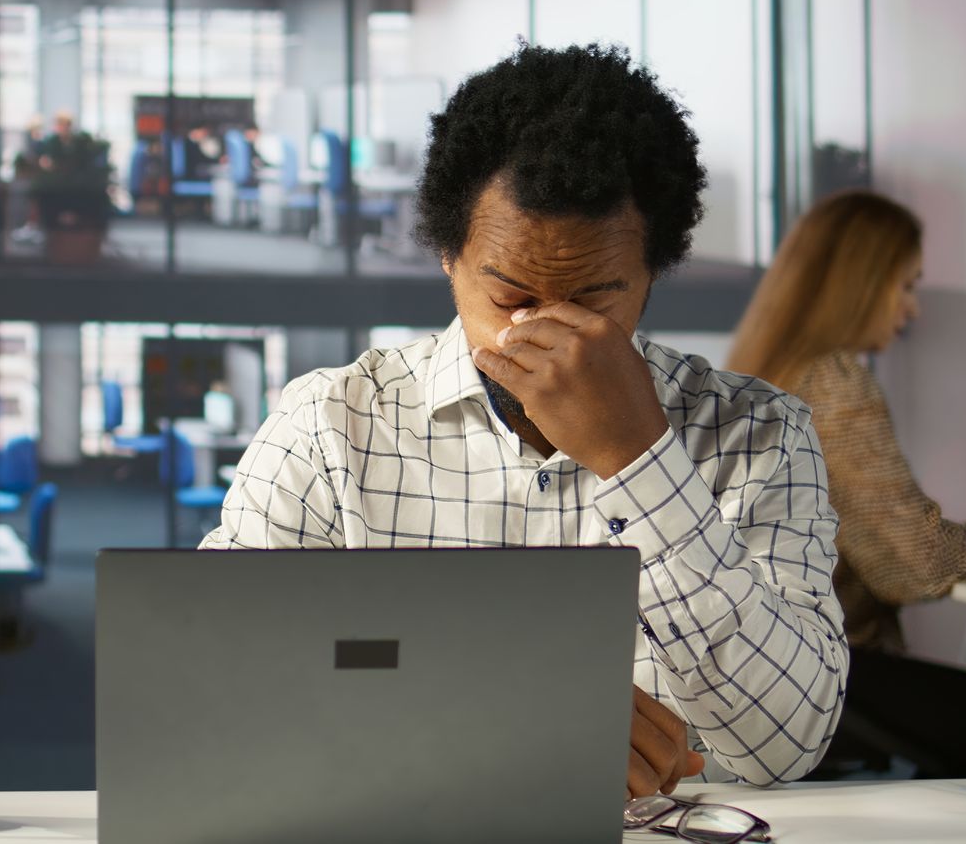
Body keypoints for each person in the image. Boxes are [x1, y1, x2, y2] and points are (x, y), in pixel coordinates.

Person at [203, 43, 847, 795]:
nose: (545, 335)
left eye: (594, 300)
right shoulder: (329, 424)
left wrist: (641, 460)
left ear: (653, 272)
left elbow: (785, 747)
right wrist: (502, 722)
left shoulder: (760, 435)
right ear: (449, 255)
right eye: (508, 296)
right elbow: (220, 691)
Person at [727, 189, 966, 778]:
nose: (912, 310)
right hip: (809, 665)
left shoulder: (759, 374)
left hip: (753, 662)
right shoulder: (834, 382)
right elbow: (911, 564)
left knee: (964, 732)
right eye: (907, 285)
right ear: (859, 284)